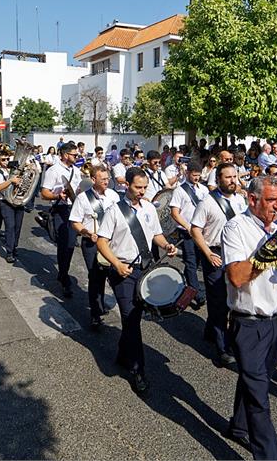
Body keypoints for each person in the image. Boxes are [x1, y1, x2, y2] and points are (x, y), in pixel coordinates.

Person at [221, 175, 277, 458]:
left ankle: (239, 427)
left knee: (257, 380)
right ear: (252, 200)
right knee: (259, 398)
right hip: (250, 324)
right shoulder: (236, 228)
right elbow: (237, 276)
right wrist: (273, 249)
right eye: (271, 200)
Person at [96, 167, 177, 396]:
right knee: (131, 319)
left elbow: (156, 235)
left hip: (145, 268)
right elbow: (102, 242)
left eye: (144, 187)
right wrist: (117, 264)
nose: (142, 191)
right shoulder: (114, 211)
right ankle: (138, 370)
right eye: (137, 187)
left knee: (134, 317)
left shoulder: (150, 208)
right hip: (122, 270)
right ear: (127, 185)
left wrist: (166, 245)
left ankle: (123, 353)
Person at [190, 163, 247, 367]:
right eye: (228, 177)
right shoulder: (207, 202)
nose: (233, 180)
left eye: (235, 176)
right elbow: (195, 230)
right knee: (218, 300)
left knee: (235, 298)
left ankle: (210, 330)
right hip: (215, 254)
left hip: (236, 253)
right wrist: (207, 254)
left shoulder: (241, 200)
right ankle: (223, 348)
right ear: (219, 179)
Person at [70, 165, 120, 329]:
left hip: (111, 241)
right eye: (103, 179)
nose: (107, 181)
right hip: (91, 241)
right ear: (93, 179)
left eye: (108, 178)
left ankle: (102, 303)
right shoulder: (83, 198)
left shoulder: (113, 195)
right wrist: (85, 232)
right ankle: (96, 313)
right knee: (96, 276)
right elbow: (75, 221)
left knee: (112, 274)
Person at [41, 143, 82, 297]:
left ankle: (63, 272)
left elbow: (78, 191)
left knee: (70, 245)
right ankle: (65, 279)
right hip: (61, 209)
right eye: (74, 155)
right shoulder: (54, 171)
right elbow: (44, 193)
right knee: (65, 245)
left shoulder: (76, 171)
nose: (77, 157)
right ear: (65, 155)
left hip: (74, 209)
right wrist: (57, 196)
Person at [169, 161, 208, 308]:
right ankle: (197, 294)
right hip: (187, 232)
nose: (197, 178)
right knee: (191, 262)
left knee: (197, 262)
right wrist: (188, 227)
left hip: (202, 231)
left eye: (199, 175)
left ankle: (189, 286)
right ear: (187, 173)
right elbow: (175, 213)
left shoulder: (203, 190)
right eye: (194, 175)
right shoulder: (180, 191)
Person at [0, 153, 26, 263]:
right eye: (3, 159)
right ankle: (9, 251)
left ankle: (14, 247)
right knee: (10, 226)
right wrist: (11, 181)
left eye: (7, 159)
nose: (6, 161)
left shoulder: (17, 171)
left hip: (18, 201)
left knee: (18, 227)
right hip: (6, 202)